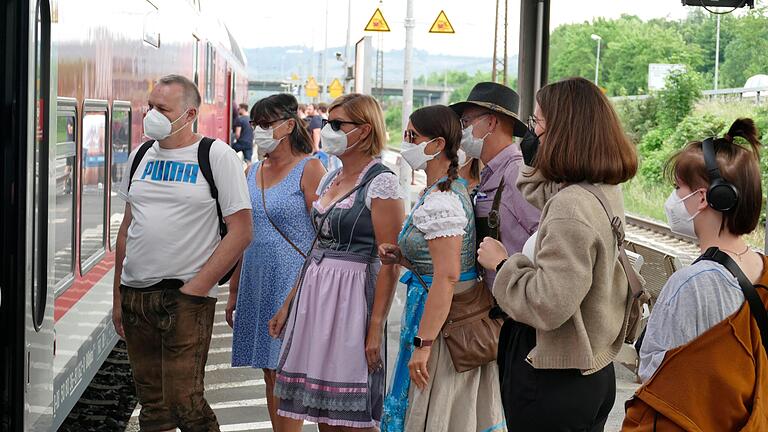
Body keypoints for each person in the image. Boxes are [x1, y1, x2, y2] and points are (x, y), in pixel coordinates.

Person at [477, 77, 638, 431]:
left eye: (537, 124)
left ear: (562, 132)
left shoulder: (569, 207)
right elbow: (535, 186)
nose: (530, 134)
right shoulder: (600, 190)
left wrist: (503, 264)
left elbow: (547, 303)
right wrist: (541, 156)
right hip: (591, 373)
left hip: (553, 378)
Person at [112, 74, 252, 431]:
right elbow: (127, 228)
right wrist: (118, 296)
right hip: (135, 296)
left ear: (189, 114)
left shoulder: (215, 155)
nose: (152, 115)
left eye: (162, 109)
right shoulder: (140, 155)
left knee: (186, 404)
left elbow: (241, 230)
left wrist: (196, 289)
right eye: (150, 107)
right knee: (153, 405)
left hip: (184, 298)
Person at [270, 93, 405, 430]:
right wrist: (289, 303)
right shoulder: (331, 177)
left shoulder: (382, 182)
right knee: (323, 412)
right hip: (317, 295)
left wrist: (375, 328)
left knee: (352, 416)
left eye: (337, 124)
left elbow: (390, 262)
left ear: (363, 130)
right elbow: (316, 246)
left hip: (352, 297)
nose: (327, 129)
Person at [624, 119, 767, 430]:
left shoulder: (690, 284)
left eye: (678, 188)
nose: (673, 199)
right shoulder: (763, 268)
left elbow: (653, 373)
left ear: (705, 198)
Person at [379, 105, 505, 432]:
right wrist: (404, 257)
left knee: (437, 410)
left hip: (444, 321)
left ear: (436, 145)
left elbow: (447, 276)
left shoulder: (442, 201)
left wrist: (425, 345)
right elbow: (444, 262)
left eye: (411, 136)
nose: (405, 143)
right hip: (439, 311)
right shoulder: (446, 191)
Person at [226, 93, 326, 432]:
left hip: (291, 281)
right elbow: (243, 233)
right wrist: (233, 291)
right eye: (255, 124)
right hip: (256, 276)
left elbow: (324, 233)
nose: (259, 131)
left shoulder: (310, 168)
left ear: (288, 124)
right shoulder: (252, 170)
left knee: (286, 371)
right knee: (270, 371)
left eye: (266, 124)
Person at [449, 82, 540, 289]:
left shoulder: (516, 173)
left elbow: (544, 239)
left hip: (511, 304)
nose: (462, 130)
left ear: (491, 123)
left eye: (465, 122)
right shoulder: (492, 172)